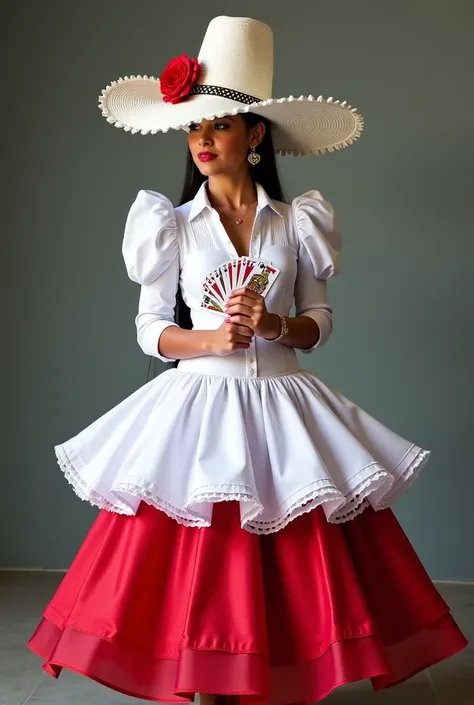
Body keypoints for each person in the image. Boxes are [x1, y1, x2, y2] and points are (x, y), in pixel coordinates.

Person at [28, 15, 467, 705]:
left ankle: (271, 676)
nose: (203, 141)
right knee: (199, 557)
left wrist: (277, 323)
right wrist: (209, 341)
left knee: (296, 556)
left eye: (221, 126)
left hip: (285, 404)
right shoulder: (167, 224)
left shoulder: (300, 222)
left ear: (255, 135)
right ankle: (205, 675)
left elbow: (320, 323)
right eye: (194, 128)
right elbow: (149, 328)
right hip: (198, 405)